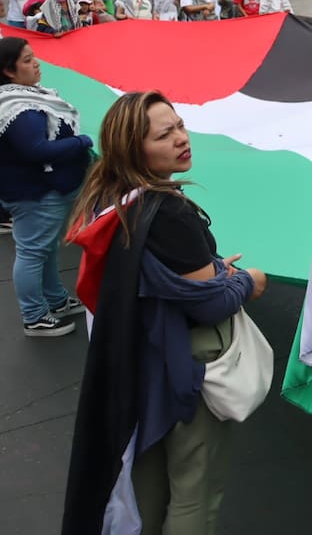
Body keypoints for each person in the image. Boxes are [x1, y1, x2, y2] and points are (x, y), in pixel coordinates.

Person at [62, 91, 268, 533]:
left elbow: (157, 276)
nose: (181, 138)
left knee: (149, 484)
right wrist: (247, 281)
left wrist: (212, 271)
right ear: (133, 148)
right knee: (195, 489)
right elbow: (211, 303)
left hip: (143, 360)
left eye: (179, 126)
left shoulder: (109, 198)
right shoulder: (169, 212)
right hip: (183, 364)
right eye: (164, 135)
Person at [0, 37, 92, 336]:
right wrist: (82, 141)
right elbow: (36, 149)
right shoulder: (18, 108)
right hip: (35, 193)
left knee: (45, 249)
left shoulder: (22, 98)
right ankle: (35, 316)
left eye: (33, 56)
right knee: (32, 252)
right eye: (27, 60)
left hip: (39, 191)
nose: (36, 63)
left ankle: (55, 300)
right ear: (9, 71)